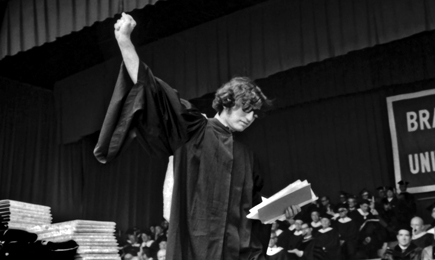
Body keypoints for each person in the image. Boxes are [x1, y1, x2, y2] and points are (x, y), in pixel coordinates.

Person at [96, 13, 301, 260]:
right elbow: (152, 89)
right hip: (197, 251)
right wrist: (125, 41)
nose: (250, 118)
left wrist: (280, 210)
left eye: (255, 114)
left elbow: (254, 210)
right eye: (247, 109)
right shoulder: (194, 129)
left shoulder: (247, 157)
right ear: (227, 101)